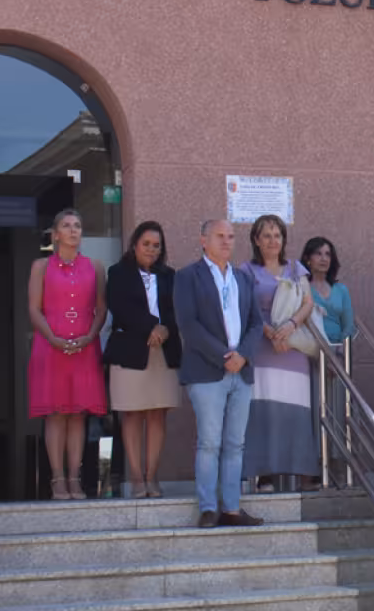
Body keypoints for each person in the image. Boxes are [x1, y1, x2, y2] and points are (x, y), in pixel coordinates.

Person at [174, 219, 263, 528]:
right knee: (210, 442)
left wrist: (243, 355)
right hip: (207, 371)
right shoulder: (188, 277)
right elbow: (189, 325)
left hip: (242, 371)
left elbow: (256, 323)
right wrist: (224, 356)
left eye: (231, 236)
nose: (227, 241)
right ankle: (209, 507)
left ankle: (232, 509)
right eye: (219, 236)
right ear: (203, 240)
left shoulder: (243, 278)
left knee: (235, 443)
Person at [27, 208, 107, 501]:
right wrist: (53, 338)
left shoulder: (95, 266)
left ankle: (75, 478)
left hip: (85, 347)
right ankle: (57, 479)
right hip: (50, 346)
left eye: (78, 225)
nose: (74, 230)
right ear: (56, 234)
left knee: (78, 413)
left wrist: (89, 336)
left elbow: (101, 307)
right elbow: (34, 309)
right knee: (56, 413)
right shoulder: (40, 266)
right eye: (67, 225)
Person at [240, 214, 320, 492]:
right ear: (256, 240)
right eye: (267, 236)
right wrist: (268, 332)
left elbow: (308, 303)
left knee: (294, 412)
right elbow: (245, 307)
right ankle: (264, 476)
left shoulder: (296, 268)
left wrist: (290, 325)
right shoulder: (246, 271)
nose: (273, 241)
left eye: (277, 235)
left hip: (292, 349)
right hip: (262, 349)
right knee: (263, 412)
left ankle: (298, 472)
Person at [105, 221, 182, 499]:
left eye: (156, 245)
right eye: (146, 243)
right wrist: (152, 326)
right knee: (132, 414)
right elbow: (119, 306)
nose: (151, 249)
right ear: (134, 244)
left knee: (157, 413)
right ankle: (136, 478)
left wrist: (165, 328)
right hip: (130, 350)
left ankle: (152, 477)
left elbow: (178, 309)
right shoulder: (118, 273)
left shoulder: (170, 275)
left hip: (163, 351)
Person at [302, 237, 355, 344]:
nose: (324, 259)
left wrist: (341, 347)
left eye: (328, 254)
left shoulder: (341, 290)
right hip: (309, 348)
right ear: (307, 258)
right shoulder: (300, 287)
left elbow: (348, 326)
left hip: (338, 351)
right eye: (318, 254)